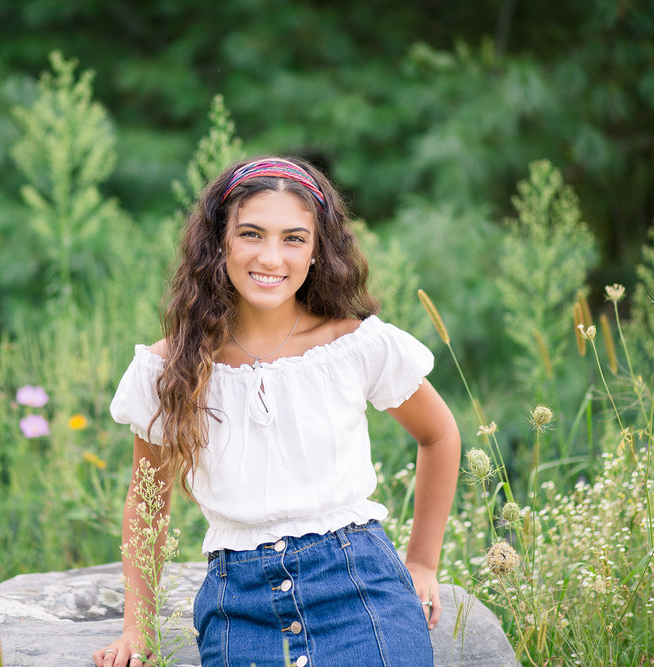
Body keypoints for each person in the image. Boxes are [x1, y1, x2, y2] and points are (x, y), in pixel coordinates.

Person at [94, 157, 460, 666]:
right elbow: (148, 502)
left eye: (293, 238)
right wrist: (139, 629)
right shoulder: (168, 367)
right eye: (251, 234)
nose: (271, 257)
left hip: (359, 585)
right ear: (218, 243)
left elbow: (439, 435)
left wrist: (421, 562)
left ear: (316, 252)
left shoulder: (355, 345)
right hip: (238, 600)